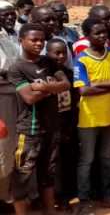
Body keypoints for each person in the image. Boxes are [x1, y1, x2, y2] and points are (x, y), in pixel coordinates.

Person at [8, 24, 71, 215]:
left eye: (41, 40)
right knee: (22, 177)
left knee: (48, 174)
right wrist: (50, 87)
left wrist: (42, 87)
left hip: (51, 128)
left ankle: (50, 211)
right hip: (30, 131)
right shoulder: (16, 68)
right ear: (21, 41)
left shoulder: (48, 62)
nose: (39, 43)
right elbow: (29, 98)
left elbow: (66, 84)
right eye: (34, 40)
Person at [74, 18, 110, 214]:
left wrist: (98, 85)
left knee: (106, 159)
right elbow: (84, 92)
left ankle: (107, 196)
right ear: (87, 36)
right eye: (97, 33)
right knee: (86, 160)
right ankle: (84, 199)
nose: (102, 36)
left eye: (104, 32)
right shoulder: (81, 59)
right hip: (88, 118)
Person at [46, 39, 78, 210]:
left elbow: (74, 103)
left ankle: (65, 197)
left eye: (63, 52)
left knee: (66, 163)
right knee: (50, 165)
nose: (60, 56)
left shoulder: (69, 74)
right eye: (55, 52)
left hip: (65, 125)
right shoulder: (42, 75)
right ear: (47, 53)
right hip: (47, 127)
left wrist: (70, 126)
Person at [0, 1, 19, 203]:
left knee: (13, 145)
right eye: (5, 15)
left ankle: (8, 195)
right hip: (3, 96)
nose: (10, 18)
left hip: (15, 94)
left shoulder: (13, 35)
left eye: (12, 14)